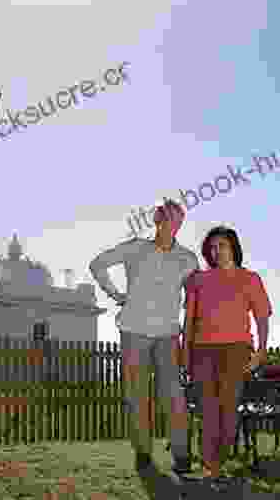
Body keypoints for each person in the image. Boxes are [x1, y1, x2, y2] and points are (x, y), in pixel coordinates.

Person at [89, 199, 199, 475]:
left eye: (177, 219)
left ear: (180, 224)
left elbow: (195, 295)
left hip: (168, 334)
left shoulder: (187, 259)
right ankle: (143, 452)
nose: (171, 223)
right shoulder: (135, 248)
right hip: (134, 330)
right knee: (137, 395)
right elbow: (97, 265)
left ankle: (181, 455)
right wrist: (115, 295)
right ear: (157, 220)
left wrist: (190, 327)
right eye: (166, 217)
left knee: (173, 394)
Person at [182, 225, 272, 484]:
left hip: (236, 350)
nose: (216, 250)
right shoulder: (198, 280)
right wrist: (185, 353)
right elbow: (189, 320)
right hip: (202, 351)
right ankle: (211, 467)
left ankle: (218, 462)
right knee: (207, 410)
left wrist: (261, 352)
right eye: (211, 247)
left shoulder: (250, 278)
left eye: (221, 245)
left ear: (233, 247)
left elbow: (262, 317)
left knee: (228, 410)